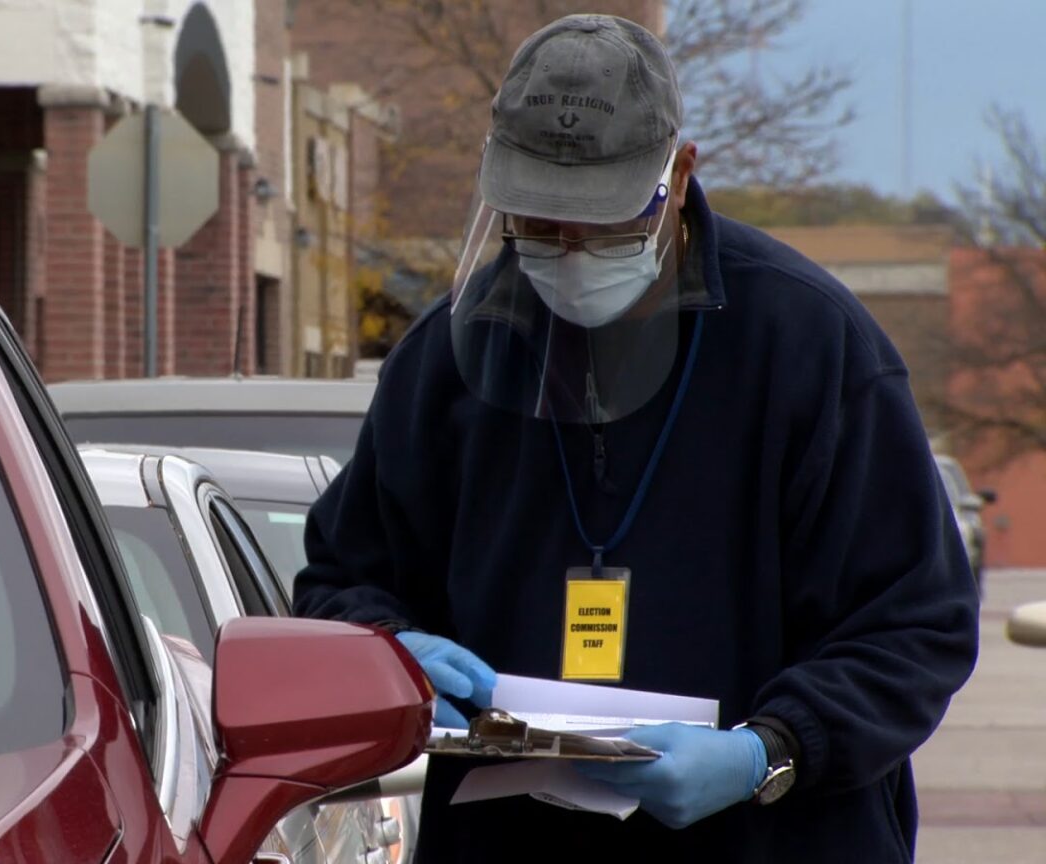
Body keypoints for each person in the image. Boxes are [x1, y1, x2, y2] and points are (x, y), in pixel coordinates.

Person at [293, 14, 979, 862]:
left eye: (606, 226)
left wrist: (769, 751)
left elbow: (916, 624)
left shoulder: (812, 349)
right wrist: (390, 654)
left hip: (775, 840)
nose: (570, 254)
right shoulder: (449, 363)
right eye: (539, 226)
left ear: (681, 175)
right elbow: (340, 577)